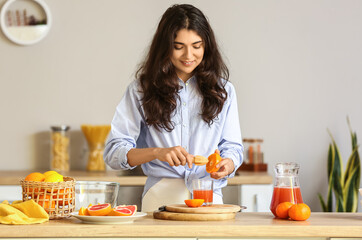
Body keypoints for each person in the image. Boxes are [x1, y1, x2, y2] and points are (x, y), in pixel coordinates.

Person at [104, 4, 243, 212]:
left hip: (209, 199)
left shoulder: (224, 91)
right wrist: (157, 152)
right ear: (165, 46)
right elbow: (114, 153)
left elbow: (233, 147)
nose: (189, 55)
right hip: (160, 198)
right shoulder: (141, 90)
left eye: (197, 46)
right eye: (179, 46)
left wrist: (228, 163)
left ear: (207, 46)